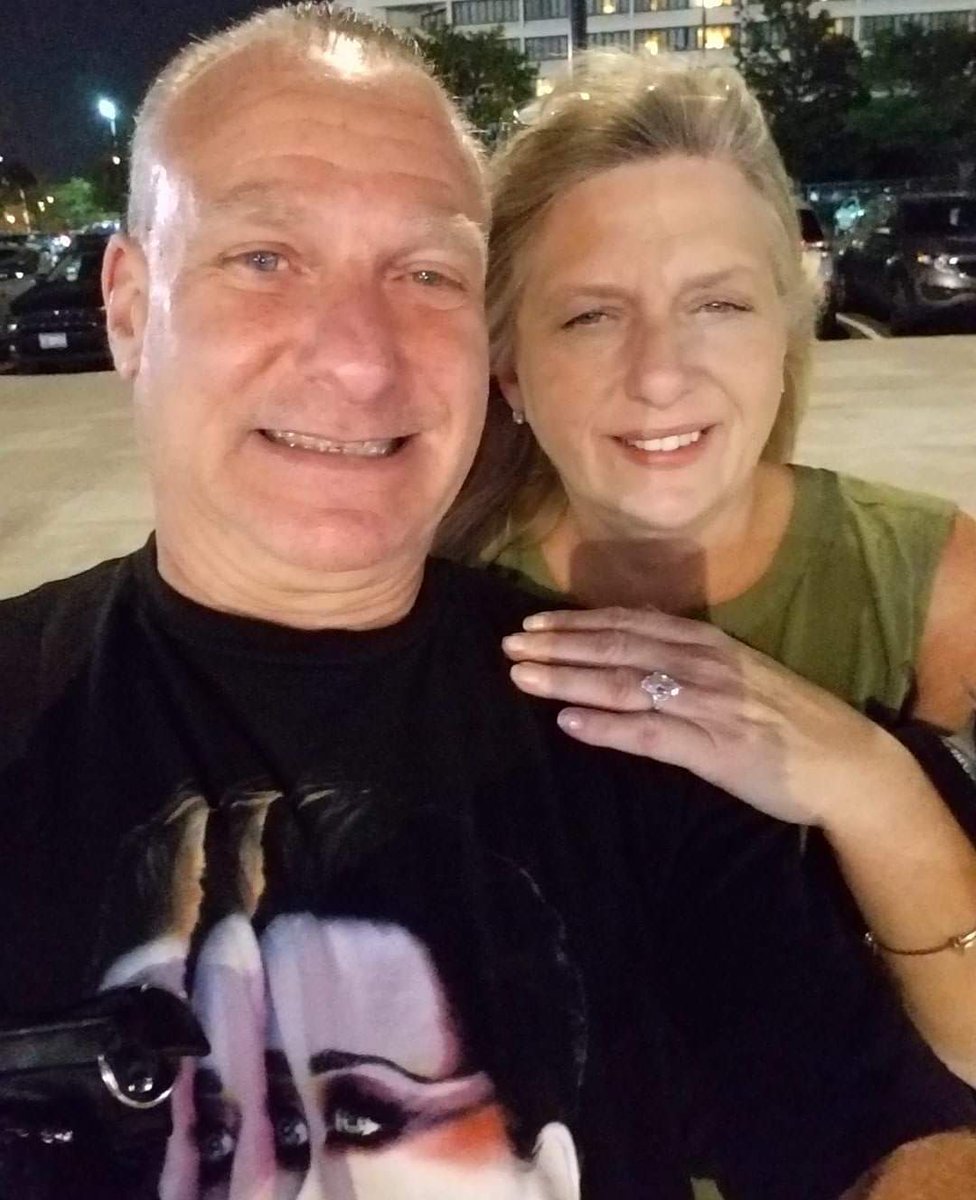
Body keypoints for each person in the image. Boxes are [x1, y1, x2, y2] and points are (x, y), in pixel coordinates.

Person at [1, 8, 975, 1200]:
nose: (359, 358)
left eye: (424, 273)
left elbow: (889, 1141)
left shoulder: (641, 729)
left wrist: (874, 786)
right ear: (129, 308)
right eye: (264, 258)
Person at [438, 51, 976, 1087]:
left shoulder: (939, 589)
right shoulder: (419, 598)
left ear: (786, 329)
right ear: (509, 370)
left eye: (717, 306)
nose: (659, 374)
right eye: (591, 315)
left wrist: (873, 786)